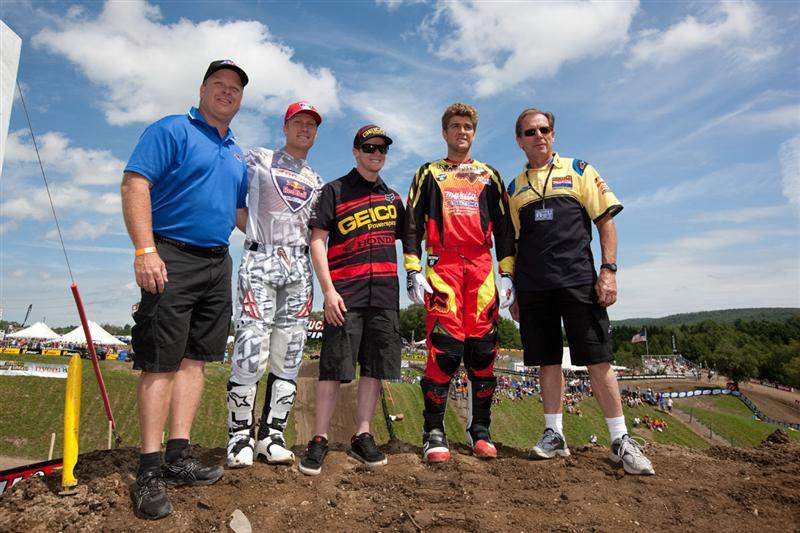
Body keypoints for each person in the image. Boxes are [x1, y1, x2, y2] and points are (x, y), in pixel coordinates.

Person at [121, 60, 249, 519]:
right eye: (219, 85)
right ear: (202, 89)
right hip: (170, 256)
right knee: (161, 362)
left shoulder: (237, 153)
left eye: (235, 89)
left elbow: (241, 216)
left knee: (196, 362)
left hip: (218, 262)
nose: (227, 93)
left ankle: (178, 456)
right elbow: (135, 183)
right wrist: (144, 250)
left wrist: (289, 227)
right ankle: (150, 468)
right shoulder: (171, 129)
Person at [508, 107, 654, 475]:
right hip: (534, 287)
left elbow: (605, 222)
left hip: (578, 281)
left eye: (544, 129)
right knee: (547, 360)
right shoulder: (513, 188)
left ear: (553, 135)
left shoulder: (579, 170)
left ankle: (620, 440)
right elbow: (511, 243)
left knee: (597, 359)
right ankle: (553, 434)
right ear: (519, 140)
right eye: (529, 132)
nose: (538, 135)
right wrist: (513, 290)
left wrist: (609, 270)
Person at [402, 103, 515, 463]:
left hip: (481, 270)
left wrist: (508, 270)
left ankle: (480, 430)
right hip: (443, 267)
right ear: (444, 132)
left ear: (474, 132)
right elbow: (411, 222)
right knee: (445, 350)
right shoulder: (428, 172)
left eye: (467, 126)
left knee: (483, 353)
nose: (461, 131)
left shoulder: (489, 175)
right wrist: (412, 268)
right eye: (455, 126)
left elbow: (505, 227)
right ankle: (433, 431)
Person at [299, 125, 405, 475]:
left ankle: (363, 434)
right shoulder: (335, 191)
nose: (376, 153)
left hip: (386, 294)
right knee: (333, 368)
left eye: (382, 149)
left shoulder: (393, 199)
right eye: (369, 147)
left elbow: (416, 239)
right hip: (345, 295)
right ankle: (319, 438)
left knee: (375, 367)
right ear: (356, 152)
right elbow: (317, 241)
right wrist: (328, 291)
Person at [225, 101, 324, 468]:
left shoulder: (317, 180)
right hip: (261, 259)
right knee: (251, 347)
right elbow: (236, 199)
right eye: (298, 122)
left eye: (311, 125)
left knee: (290, 351)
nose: (304, 129)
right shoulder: (258, 159)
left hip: (299, 265)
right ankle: (238, 438)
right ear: (285, 126)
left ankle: (272, 435)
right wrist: (255, 235)